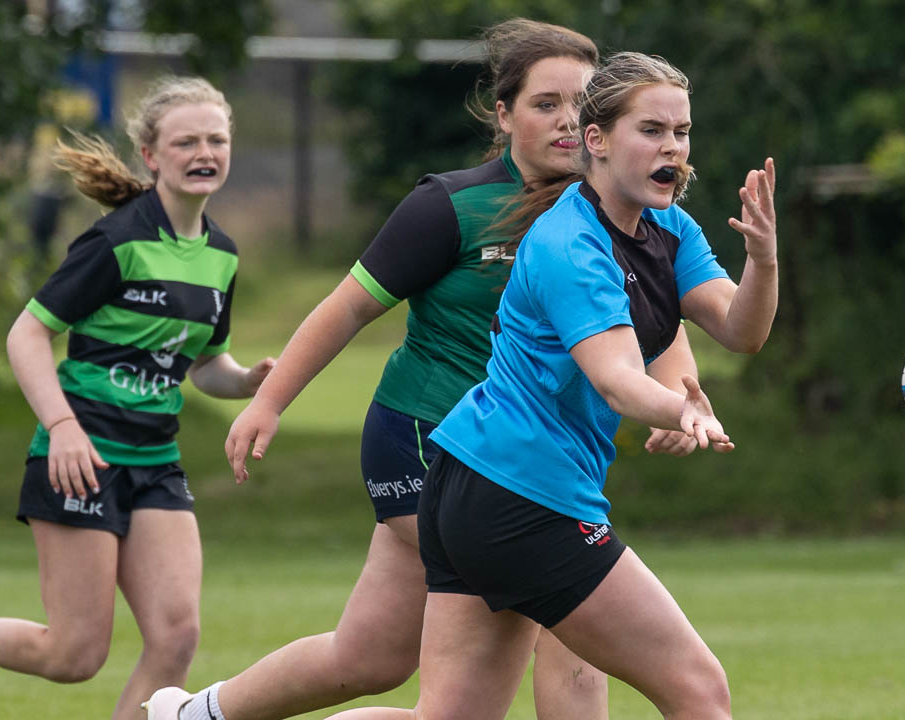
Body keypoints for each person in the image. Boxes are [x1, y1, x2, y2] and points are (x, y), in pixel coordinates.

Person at [143, 19, 703, 720]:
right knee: (566, 622)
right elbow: (344, 310)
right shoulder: (453, 206)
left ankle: (196, 714)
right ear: (503, 116)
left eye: (581, 102)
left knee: (368, 658)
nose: (567, 121)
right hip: (431, 437)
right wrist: (267, 401)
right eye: (544, 103)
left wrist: (684, 395)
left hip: (530, 460)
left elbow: (656, 313)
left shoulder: (615, 212)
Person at [324, 51, 778, 720]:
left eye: (681, 132)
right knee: (698, 688)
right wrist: (683, 411)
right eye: (651, 130)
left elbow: (742, 330)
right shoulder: (572, 243)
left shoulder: (668, 229)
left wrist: (763, 261)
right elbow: (619, 379)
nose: (674, 149)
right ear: (596, 140)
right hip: (521, 495)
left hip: (474, 482)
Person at [0, 76, 274, 720]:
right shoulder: (116, 241)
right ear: (151, 154)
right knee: (74, 656)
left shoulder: (221, 253)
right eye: (185, 140)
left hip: (155, 462)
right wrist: (62, 424)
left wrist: (244, 380)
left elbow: (203, 364)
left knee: (176, 638)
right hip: (80, 455)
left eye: (216, 139)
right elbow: (28, 333)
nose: (204, 152)